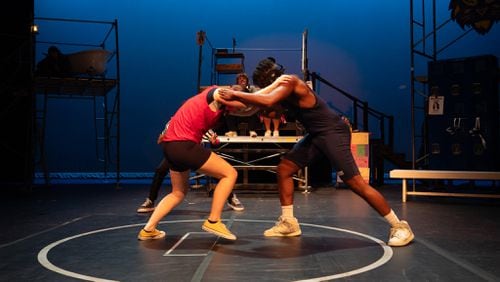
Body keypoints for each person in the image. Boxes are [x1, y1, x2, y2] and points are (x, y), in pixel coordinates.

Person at [219, 58, 414, 247]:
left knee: (356, 183)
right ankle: (288, 223)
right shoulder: (283, 95)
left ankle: (400, 226)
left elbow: (266, 99)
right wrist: (223, 101)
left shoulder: (291, 81)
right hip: (316, 135)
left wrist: (236, 95)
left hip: (332, 132)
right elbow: (260, 107)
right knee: (284, 169)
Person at [138, 80, 285, 241]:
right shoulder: (215, 93)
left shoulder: (218, 106)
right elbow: (248, 102)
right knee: (229, 173)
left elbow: (249, 108)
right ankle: (213, 220)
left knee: (178, 192)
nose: (237, 108)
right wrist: (276, 84)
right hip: (183, 145)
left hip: (170, 147)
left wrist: (272, 88)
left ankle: (148, 229)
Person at [136, 134, 245, 213]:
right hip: (177, 152)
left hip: (194, 153)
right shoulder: (172, 123)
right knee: (161, 171)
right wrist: (162, 139)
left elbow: (214, 140)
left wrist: (214, 141)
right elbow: (160, 140)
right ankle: (150, 200)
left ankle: (230, 198)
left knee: (216, 172)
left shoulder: (197, 120)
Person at [223, 73, 260, 137]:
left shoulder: (251, 88)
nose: (242, 80)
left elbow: (256, 97)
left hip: (248, 112)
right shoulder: (234, 88)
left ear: (247, 80)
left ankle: (252, 131)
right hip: (237, 112)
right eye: (240, 79)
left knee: (254, 112)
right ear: (237, 81)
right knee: (228, 113)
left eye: (244, 78)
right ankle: (233, 131)